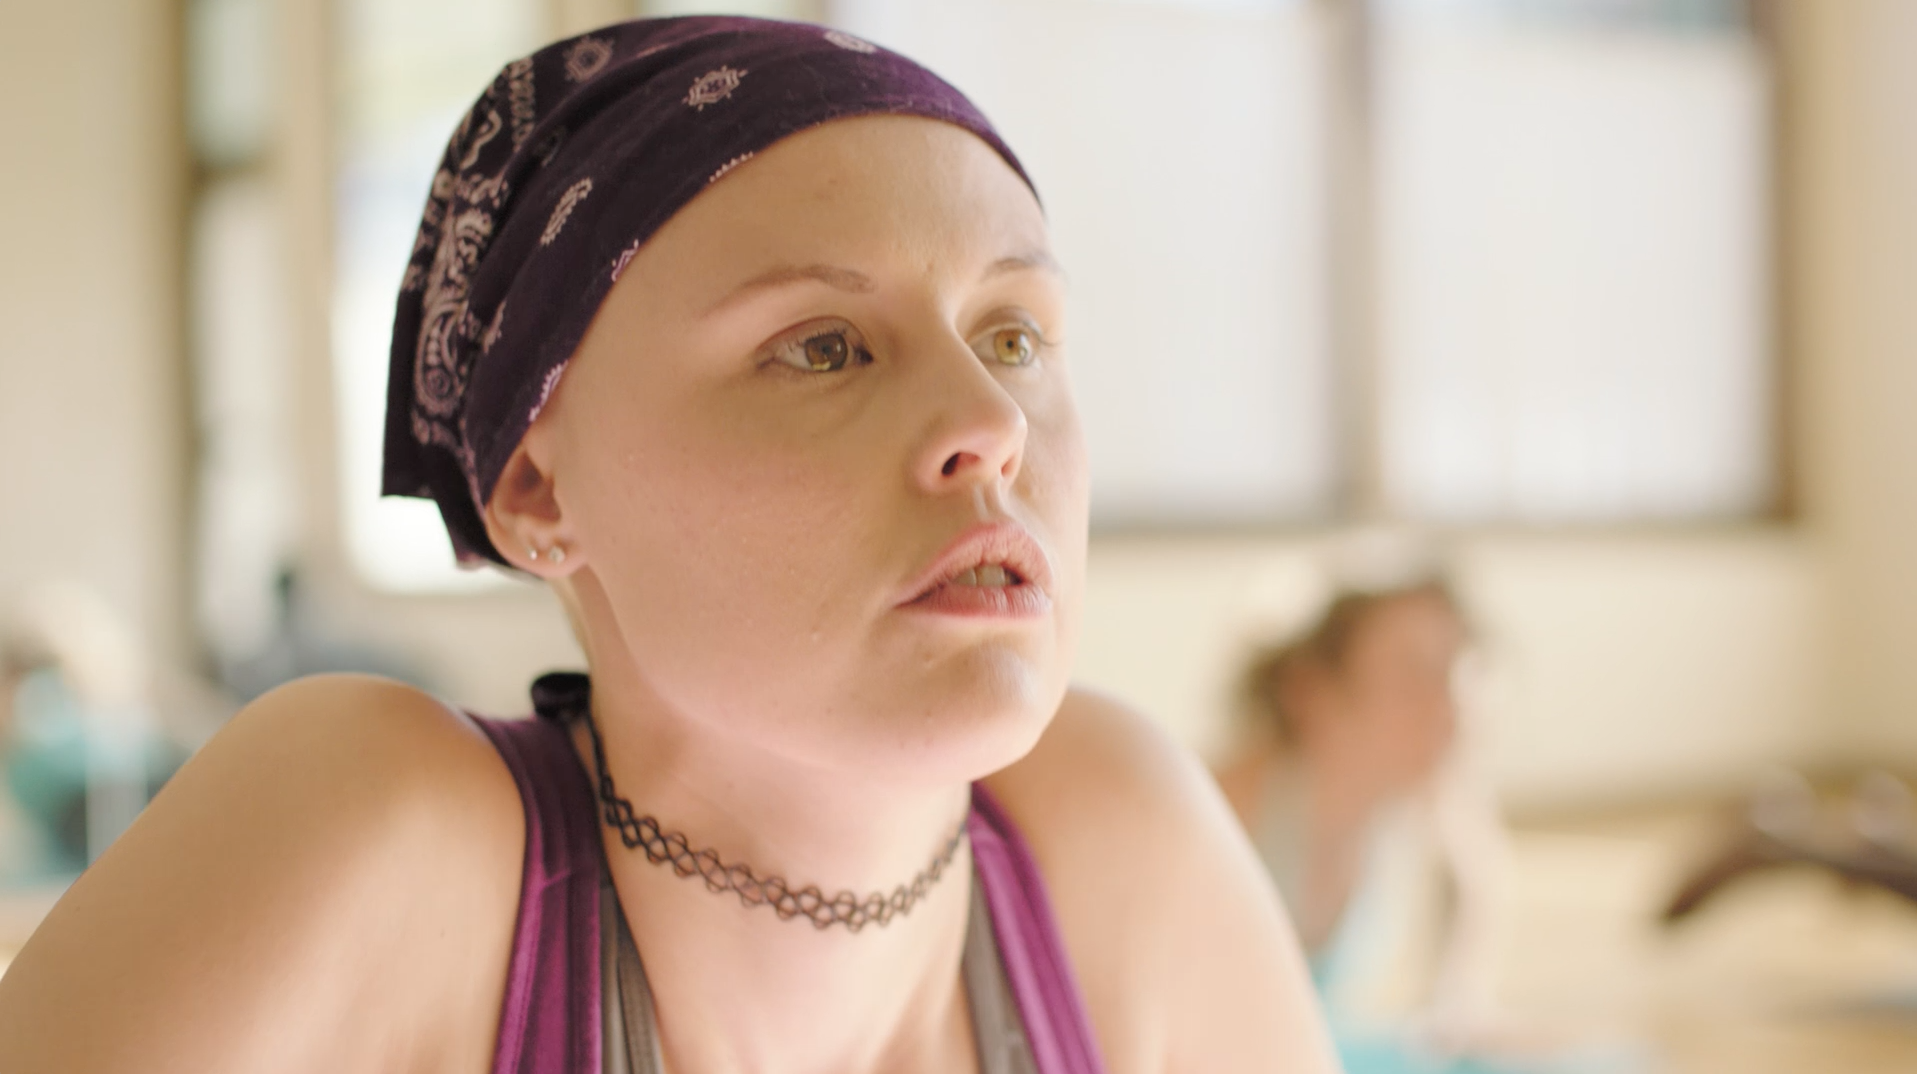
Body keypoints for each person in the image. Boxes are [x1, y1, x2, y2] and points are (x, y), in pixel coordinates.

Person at [0, 17, 1335, 1074]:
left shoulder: (1114, 848)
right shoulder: (381, 838)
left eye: (1014, 334)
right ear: (536, 485)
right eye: (824, 346)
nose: (990, 423)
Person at [1214, 573, 1521, 1073]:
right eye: (1412, 674)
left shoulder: (1426, 796)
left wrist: (1456, 997)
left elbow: (1473, 881)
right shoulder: (1231, 808)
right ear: (1310, 692)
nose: (1450, 705)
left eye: (1456, 670)